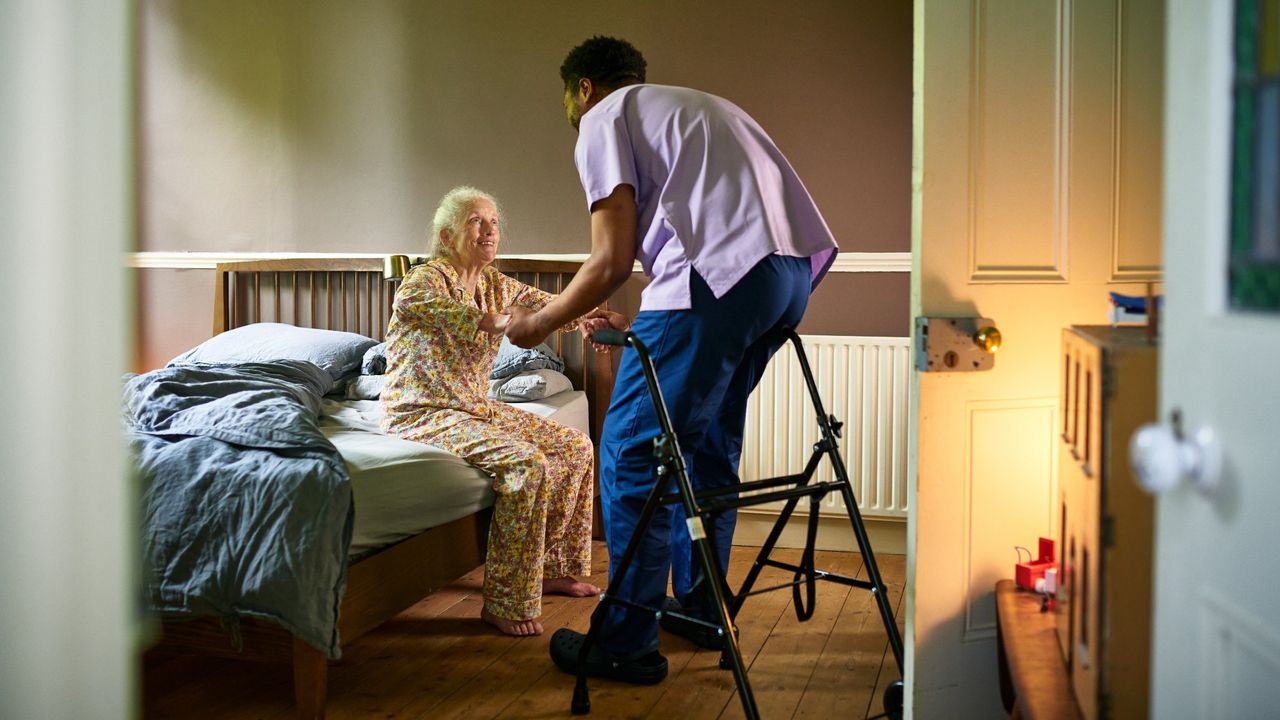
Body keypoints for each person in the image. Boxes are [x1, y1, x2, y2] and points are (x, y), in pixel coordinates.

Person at [502, 37, 838, 683]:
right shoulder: (696, 107)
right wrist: (648, 321)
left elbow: (610, 259)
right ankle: (706, 607)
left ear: (583, 89)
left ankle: (626, 640)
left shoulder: (604, 116)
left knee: (633, 454)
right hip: (782, 277)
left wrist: (535, 322)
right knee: (705, 446)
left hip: (714, 279)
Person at [380, 185, 601, 637]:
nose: (489, 229)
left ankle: (550, 567)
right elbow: (425, 307)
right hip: (421, 410)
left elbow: (551, 306)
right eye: (476, 221)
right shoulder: (424, 279)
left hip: (475, 407)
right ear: (446, 236)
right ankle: (504, 600)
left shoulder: (496, 282)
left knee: (575, 446)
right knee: (527, 465)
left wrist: (596, 317)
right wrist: (500, 321)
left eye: (494, 221)